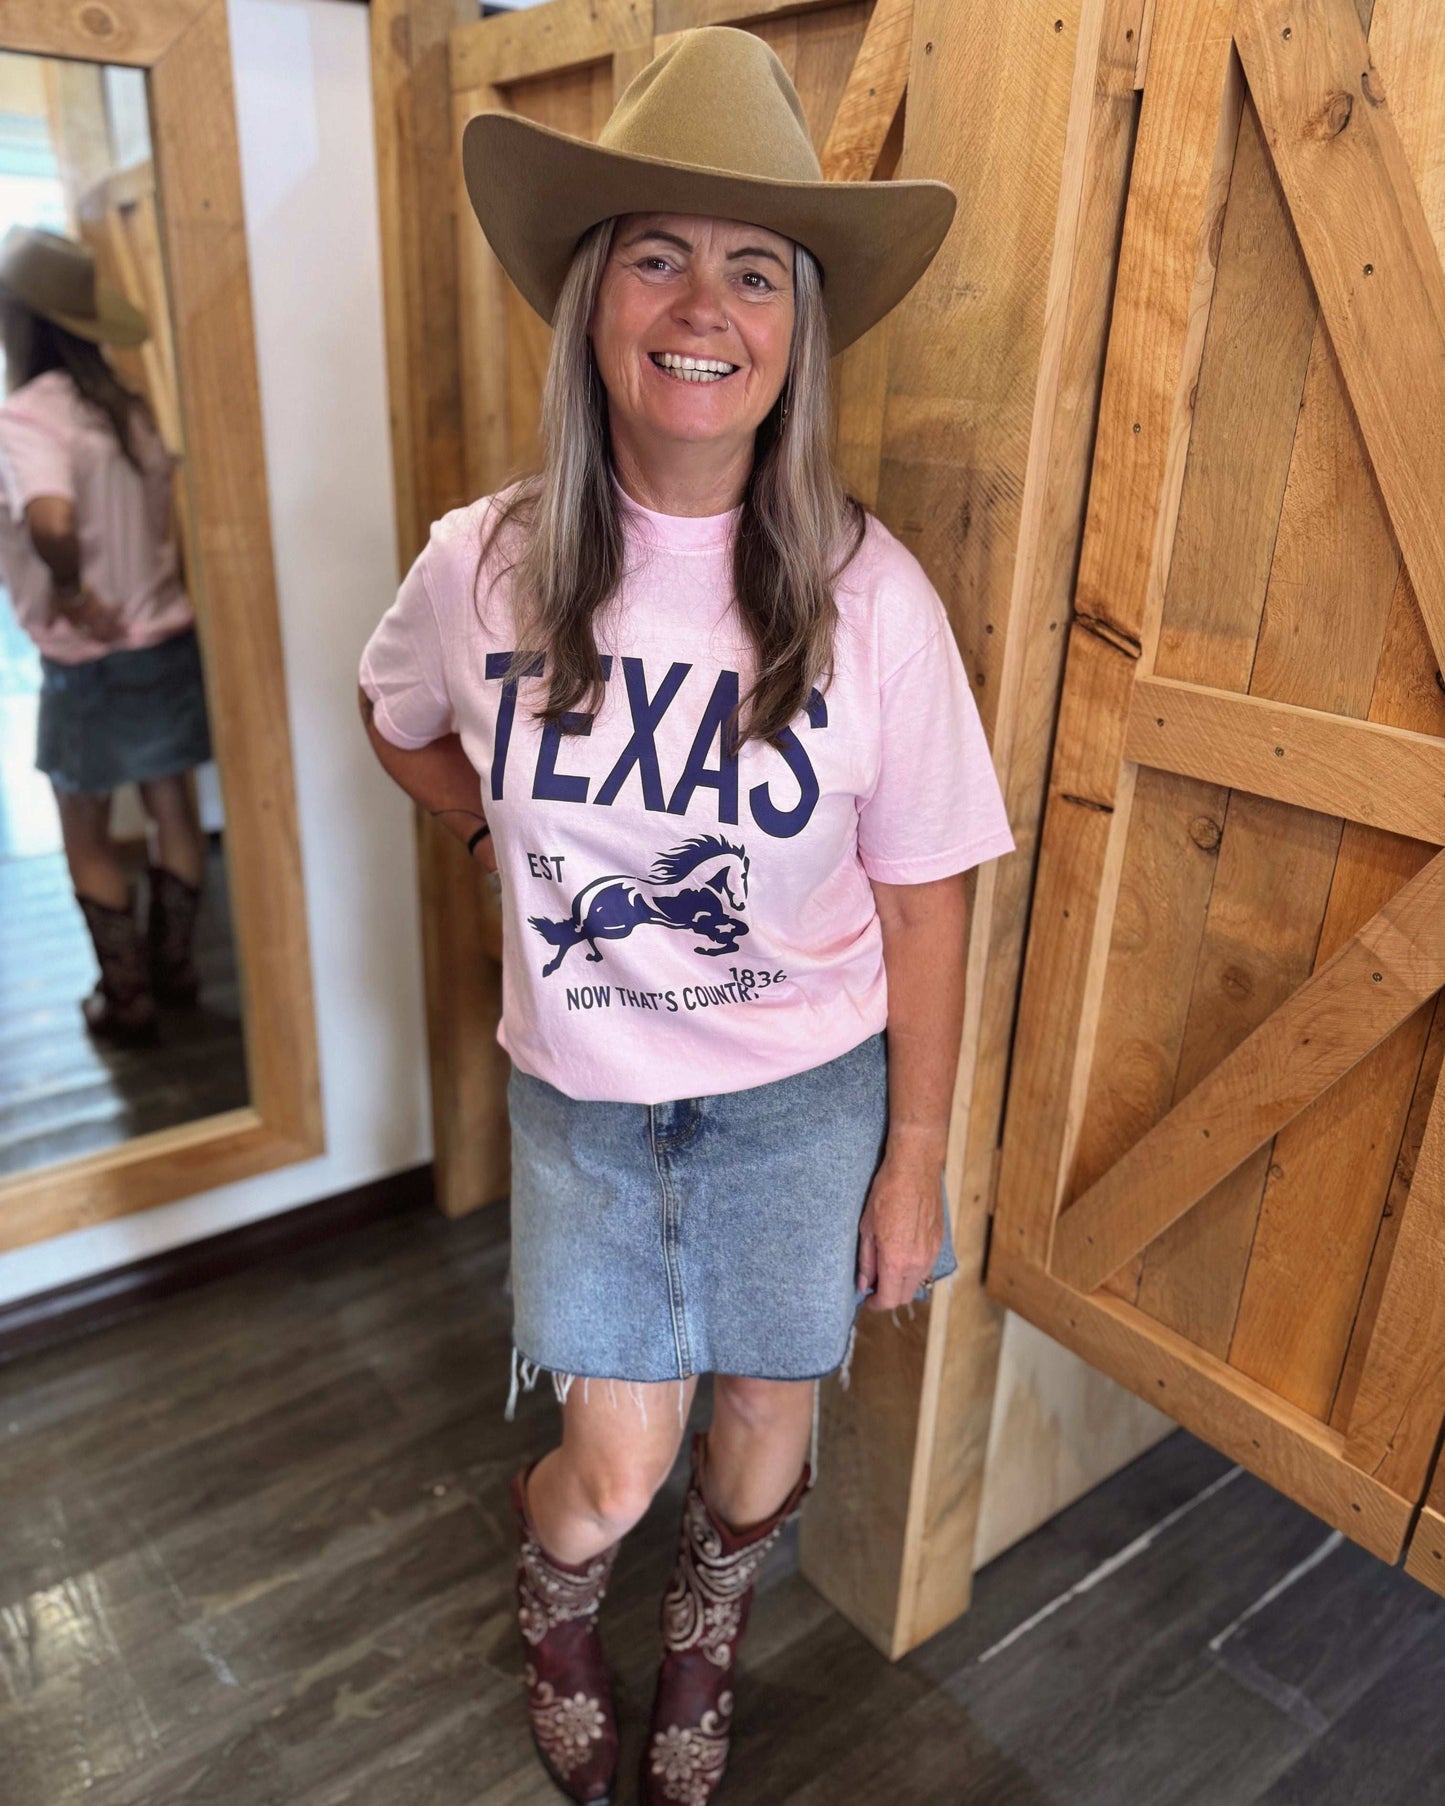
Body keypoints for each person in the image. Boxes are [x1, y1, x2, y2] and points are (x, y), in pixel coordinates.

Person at [358, 27, 1015, 1806]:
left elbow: (928, 886)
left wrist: (914, 1161)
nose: (700, 299)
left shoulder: (872, 599)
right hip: (583, 1102)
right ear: (592, 299)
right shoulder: (475, 566)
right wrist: (506, 836)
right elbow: (399, 718)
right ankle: (561, 1606)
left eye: (753, 267)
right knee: (616, 1459)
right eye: (657, 251)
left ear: (796, 326)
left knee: (755, 1426)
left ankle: (705, 1642)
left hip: (806, 1102)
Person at [0, 226, 212, 1045]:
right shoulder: (126, 405)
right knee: (173, 810)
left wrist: (67, 587)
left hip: (88, 663)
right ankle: (176, 973)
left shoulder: (27, 417)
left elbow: (49, 516)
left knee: (85, 830)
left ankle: (127, 1004)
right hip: (164, 641)